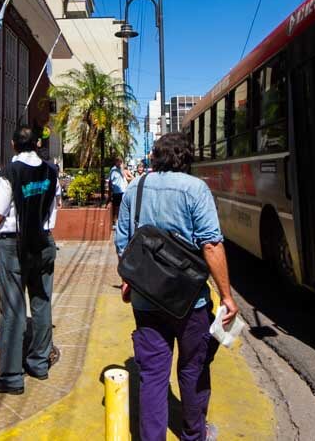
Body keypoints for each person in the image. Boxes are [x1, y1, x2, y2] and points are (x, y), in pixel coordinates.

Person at [114, 132, 238, 441]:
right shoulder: (196, 189)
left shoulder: (135, 187)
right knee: (192, 368)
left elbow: (124, 242)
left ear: (155, 156)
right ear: (186, 157)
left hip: (146, 299)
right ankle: (194, 434)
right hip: (190, 301)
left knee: (153, 376)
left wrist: (129, 280)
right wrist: (227, 296)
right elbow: (211, 245)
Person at [0, 126, 60, 395]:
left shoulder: (9, 173)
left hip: (14, 244)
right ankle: (39, 363)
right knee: (41, 302)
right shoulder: (51, 172)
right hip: (44, 241)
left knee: (13, 309)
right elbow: (52, 206)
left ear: (14, 144)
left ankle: (12, 376)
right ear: (37, 144)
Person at [108, 157, 130, 224]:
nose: (119, 163)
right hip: (116, 192)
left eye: (121, 161)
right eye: (118, 161)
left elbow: (126, 177)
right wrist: (110, 192)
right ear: (115, 162)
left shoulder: (121, 169)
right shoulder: (113, 170)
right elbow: (110, 181)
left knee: (123, 207)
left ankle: (120, 221)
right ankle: (115, 221)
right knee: (117, 207)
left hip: (123, 191)